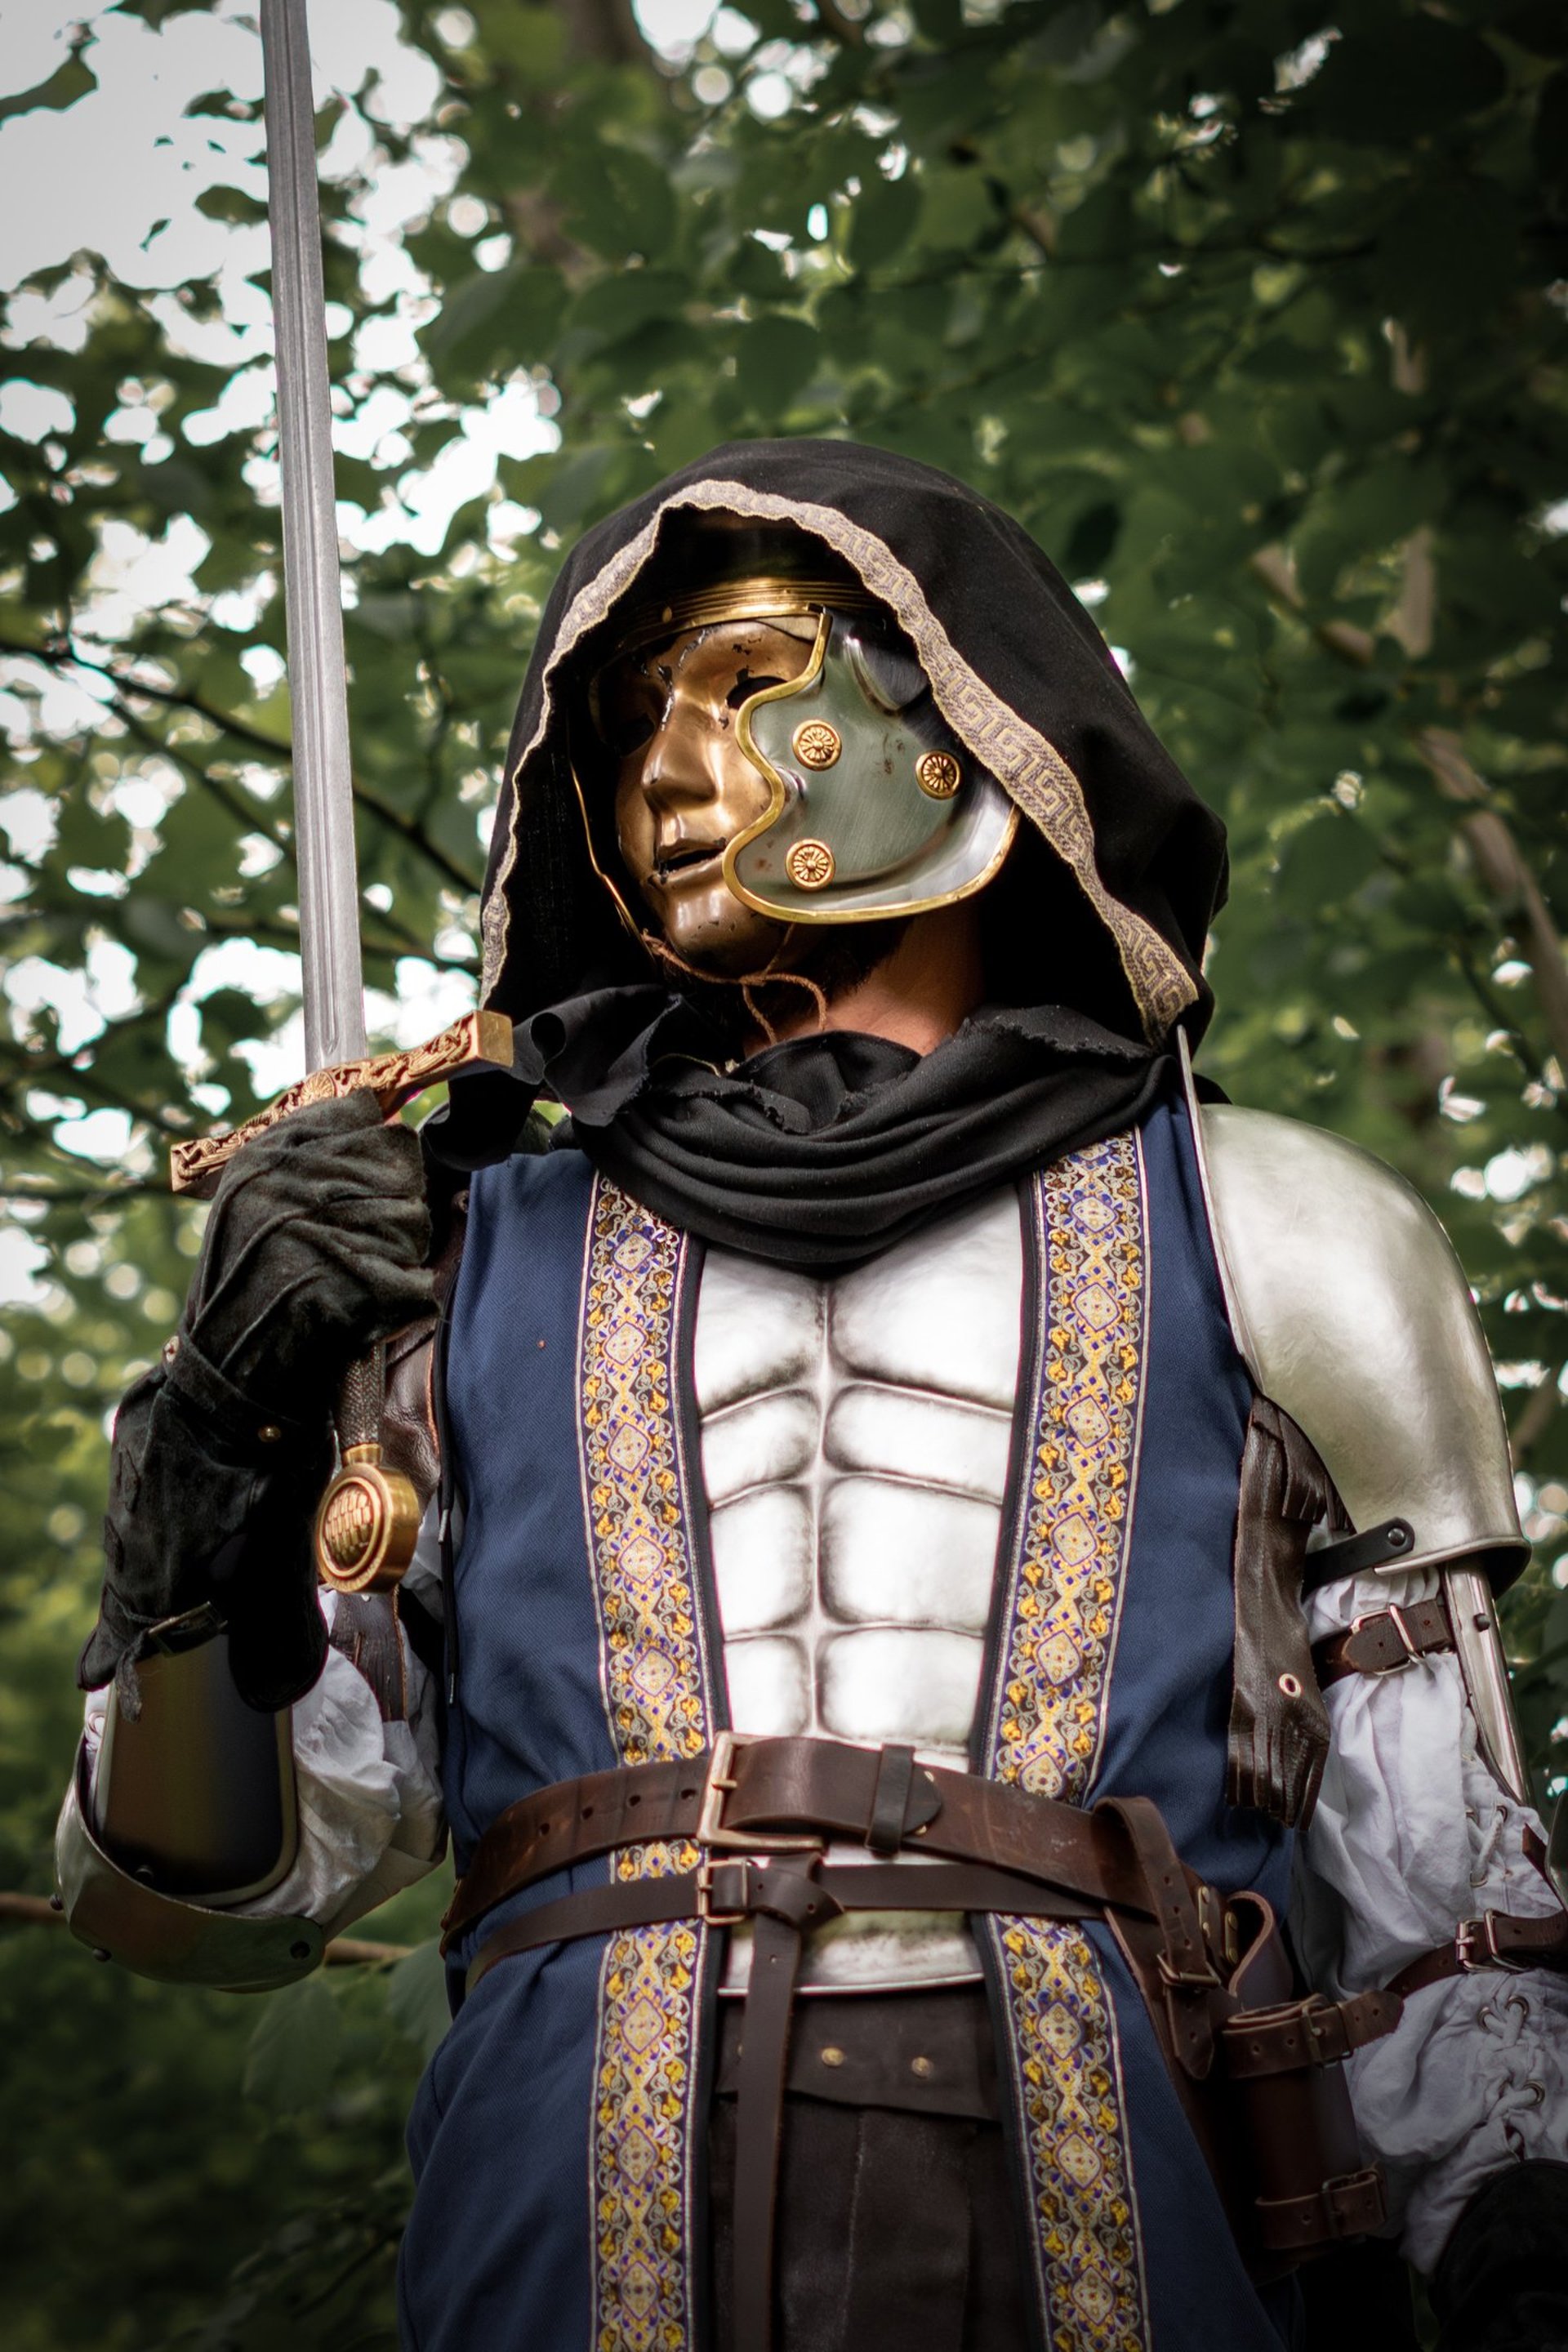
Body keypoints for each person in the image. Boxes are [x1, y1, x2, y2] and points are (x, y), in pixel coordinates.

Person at [60, 442, 1568, 2352]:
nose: (669, 779)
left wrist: (1519, 2234)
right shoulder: (452, 1264)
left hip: (1137, 2221)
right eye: (628, 732)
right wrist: (212, 1458)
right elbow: (205, 1900)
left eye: (748, 688)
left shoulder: (1279, 1230)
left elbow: (1451, 1910)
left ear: (966, 730)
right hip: (566, 2225)